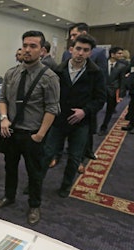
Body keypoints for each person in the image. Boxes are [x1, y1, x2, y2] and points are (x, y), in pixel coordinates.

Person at [0, 31, 60, 226]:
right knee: (10, 167)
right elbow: (2, 98)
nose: (27, 50)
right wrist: (3, 118)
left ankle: (34, 205)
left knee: (34, 173)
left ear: (42, 50)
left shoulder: (49, 77)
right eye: (25, 45)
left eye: (33, 46)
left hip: (33, 135)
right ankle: (9, 196)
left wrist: (40, 135)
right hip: (11, 132)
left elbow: (52, 109)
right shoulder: (11, 73)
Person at [42, 34, 106, 198]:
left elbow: (100, 98)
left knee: (74, 158)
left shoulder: (96, 73)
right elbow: (49, 94)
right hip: (58, 119)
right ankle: (35, 182)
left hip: (81, 123)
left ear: (90, 53)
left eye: (85, 50)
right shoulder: (58, 70)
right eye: (78, 49)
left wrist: (85, 111)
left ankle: (65, 186)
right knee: (47, 154)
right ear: (71, 49)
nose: (80, 53)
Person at [51, 22, 107, 170]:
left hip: (84, 108)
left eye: (75, 35)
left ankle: (79, 160)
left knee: (79, 144)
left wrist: (86, 110)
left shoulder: (99, 55)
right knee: (56, 140)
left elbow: (101, 91)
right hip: (63, 110)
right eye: (72, 38)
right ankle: (56, 155)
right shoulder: (65, 56)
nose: (80, 52)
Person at [98, 47, 128, 136]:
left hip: (113, 91)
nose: (121, 55)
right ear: (112, 54)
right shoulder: (102, 64)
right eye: (119, 53)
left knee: (109, 111)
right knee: (96, 108)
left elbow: (122, 81)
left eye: (122, 53)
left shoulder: (122, 66)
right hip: (101, 90)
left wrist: (121, 95)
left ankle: (104, 127)